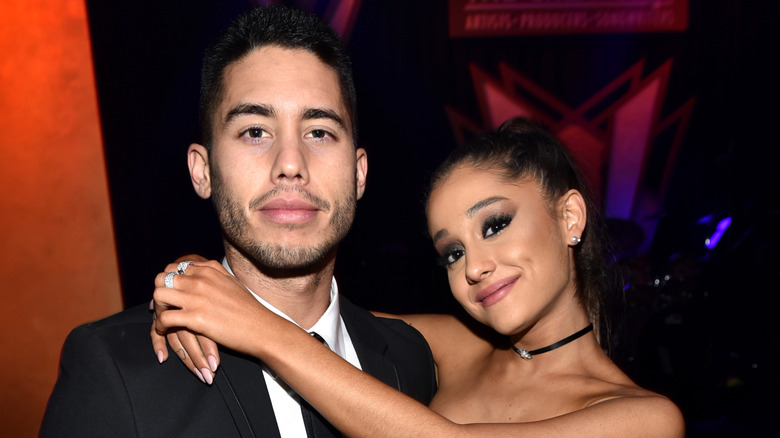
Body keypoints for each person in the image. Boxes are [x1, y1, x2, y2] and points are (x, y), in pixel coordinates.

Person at [40, 5, 437, 437]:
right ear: (202, 171)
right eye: (254, 131)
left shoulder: (408, 358)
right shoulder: (115, 369)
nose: (290, 163)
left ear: (359, 173)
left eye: (319, 132)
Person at [152, 117, 686, 437]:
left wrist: (256, 327)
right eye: (451, 253)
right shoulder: (457, 348)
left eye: (495, 224)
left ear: (568, 217)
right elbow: (305, 315)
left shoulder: (645, 419)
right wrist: (194, 277)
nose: (474, 266)